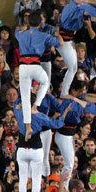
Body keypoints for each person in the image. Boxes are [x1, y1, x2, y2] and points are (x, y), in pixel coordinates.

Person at [15, 11, 63, 141]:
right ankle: (35, 106)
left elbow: (17, 33)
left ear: (29, 22)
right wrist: (58, 33)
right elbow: (60, 43)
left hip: (23, 66)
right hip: (35, 64)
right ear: (41, 22)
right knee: (45, 83)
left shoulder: (21, 34)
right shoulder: (43, 35)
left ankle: (28, 127)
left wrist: (25, 28)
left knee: (25, 97)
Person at [13, 94, 68, 192]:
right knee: (36, 178)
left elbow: (16, 102)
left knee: (23, 178)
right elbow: (57, 124)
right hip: (36, 150)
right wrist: (64, 115)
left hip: (21, 149)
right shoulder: (40, 116)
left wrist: (25, 96)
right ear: (35, 103)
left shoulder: (18, 111)